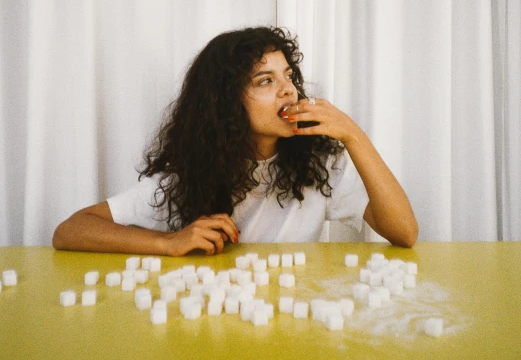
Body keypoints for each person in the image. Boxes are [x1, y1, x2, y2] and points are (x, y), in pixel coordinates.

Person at [52, 26, 418, 256]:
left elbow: (404, 233)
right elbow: (69, 230)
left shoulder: (321, 165)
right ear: (227, 102)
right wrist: (168, 243)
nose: (289, 89)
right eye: (265, 81)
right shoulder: (187, 178)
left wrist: (354, 135)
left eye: (288, 76)